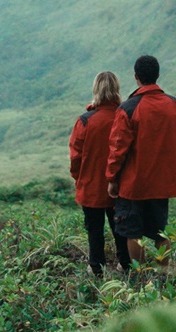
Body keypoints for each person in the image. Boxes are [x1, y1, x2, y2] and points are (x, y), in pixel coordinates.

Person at [106, 55, 176, 265]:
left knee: (133, 232)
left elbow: (117, 149)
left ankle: (141, 278)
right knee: (161, 232)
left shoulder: (128, 109)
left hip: (135, 184)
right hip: (162, 182)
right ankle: (165, 274)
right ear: (157, 75)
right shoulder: (174, 105)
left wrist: (112, 179)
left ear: (136, 77)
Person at [69, 71, 132, 276]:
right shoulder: (124, 117)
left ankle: (96, 268)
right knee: (120, 230)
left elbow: (75, 157)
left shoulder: (85, 121)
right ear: (116, 89)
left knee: (94, 230)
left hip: (91, 186)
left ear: (96, 89)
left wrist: (79, 178)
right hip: (120, 185)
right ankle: (125, 265)